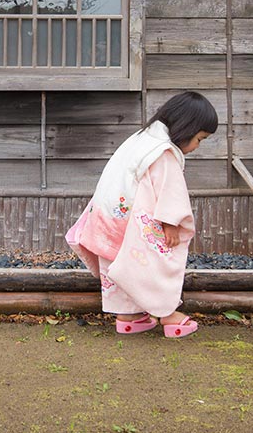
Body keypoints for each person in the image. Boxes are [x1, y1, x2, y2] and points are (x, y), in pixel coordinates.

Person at [66, 91, 217, 338]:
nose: (197, 146)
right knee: (154, 262)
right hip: (134, 223)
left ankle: (128, 317)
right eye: (200, 138)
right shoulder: (163, 152)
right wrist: (171, 224)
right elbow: (170, 191)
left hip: (109, 218)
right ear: (186, 128)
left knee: (120, 265)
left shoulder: (139, 140)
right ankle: (168, 314)